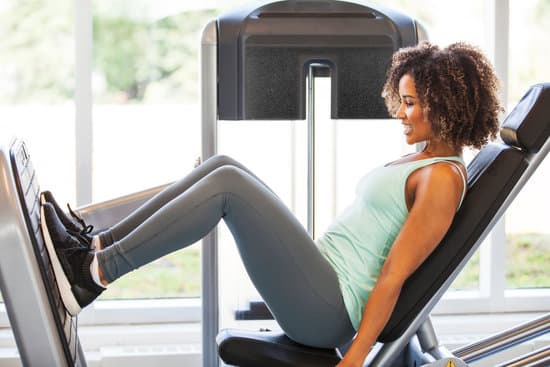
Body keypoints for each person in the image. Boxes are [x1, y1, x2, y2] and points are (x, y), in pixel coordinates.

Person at [40, 41, 502, 367]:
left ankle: (92, 276)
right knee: (222, 166)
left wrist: (356, 361)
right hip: (323, 281)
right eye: (401, 101)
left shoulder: (442, 178)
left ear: (445, 106)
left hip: (327, 310)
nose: (400, 113)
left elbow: (394, 276)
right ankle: (92, 246)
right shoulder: (424, 158)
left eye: (411, 103)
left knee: (226, 186)